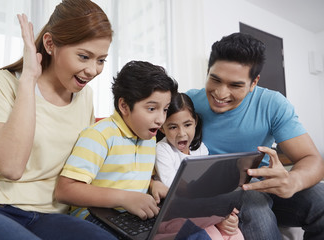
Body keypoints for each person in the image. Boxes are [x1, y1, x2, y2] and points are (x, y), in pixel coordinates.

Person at [0, 0, 117, 239]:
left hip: (47, 215)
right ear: (49, 44)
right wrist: (29, 78)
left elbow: (84, 166)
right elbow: (11, 167)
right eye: (84, 56)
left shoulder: (84, 96)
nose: (93, 70)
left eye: (101, 60)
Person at [186, 32, 324, 239]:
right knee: (255, 208)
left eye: (235, 85)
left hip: (266, 185)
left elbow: (312, 160)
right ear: (207, 72)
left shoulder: (273, 104)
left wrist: (292, 181)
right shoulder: (188, 103)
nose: (221, 93)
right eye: (215, 79)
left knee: (321, 200)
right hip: (218, 192)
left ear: (254, 83)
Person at [54, 61, 178, 229]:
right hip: (93, 216)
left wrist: (152, 184)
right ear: (124, 106)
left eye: (165, 109)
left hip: (130, 217)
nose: (161, 119)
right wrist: (124, 198)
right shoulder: (100, 135)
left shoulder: (149, 138)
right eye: (151, 109)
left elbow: (132, 177)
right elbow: (65, 190)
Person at [155, 92, 244, 240]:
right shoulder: (162, 149)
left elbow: (211, 185)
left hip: (204, 207)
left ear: (195, 122)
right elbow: (174, 188)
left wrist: (224, 211)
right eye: (172, 127)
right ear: (162, 128)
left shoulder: (201, 148)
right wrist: (215, 214)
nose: (181, 133)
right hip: (179, 212)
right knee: (213, 236)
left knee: (235, 234)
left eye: (187, 125)